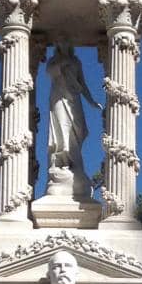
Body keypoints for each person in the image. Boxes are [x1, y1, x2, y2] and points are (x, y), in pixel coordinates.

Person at [46, 44, 102, 197]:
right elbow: (50, 72)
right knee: (62, 129)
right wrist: (60, 64)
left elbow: (82, 83)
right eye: (61, 41)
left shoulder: (76, 62)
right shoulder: (53, 61)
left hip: (73, 98)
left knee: (79, 129)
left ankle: (75, 165)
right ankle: (62, 162)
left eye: (66, 41)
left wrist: (91, 101)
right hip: (59, 97)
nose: (64, 44)